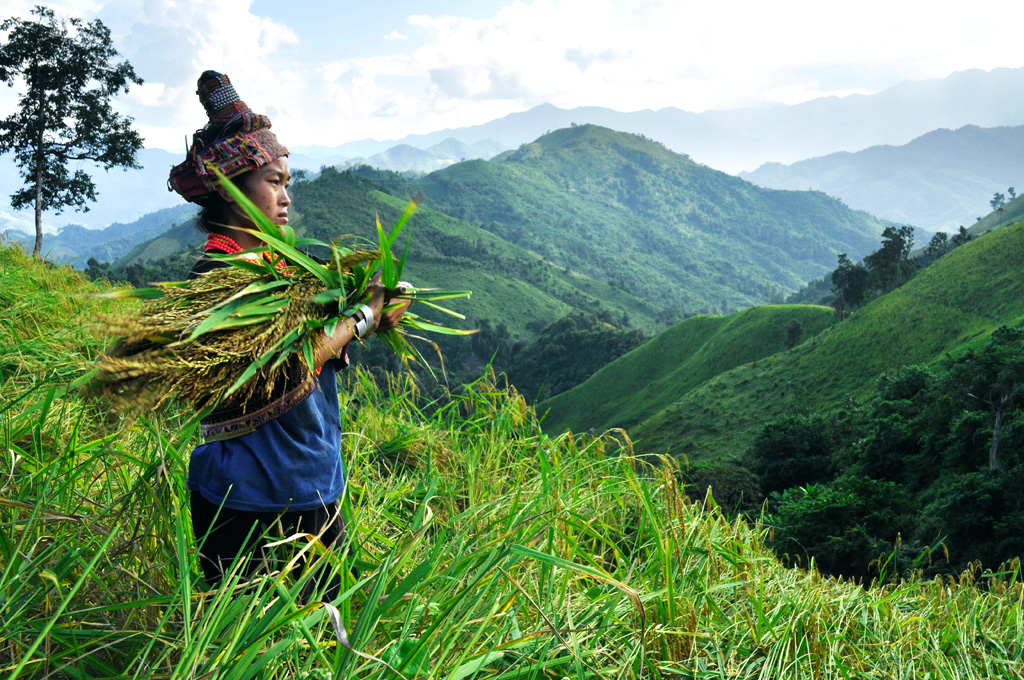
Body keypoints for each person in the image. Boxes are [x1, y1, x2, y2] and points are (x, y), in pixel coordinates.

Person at [168, 71, 409, 598]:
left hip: (313, 482)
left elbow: (352, 304)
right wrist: (361, 320)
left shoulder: (287, 269)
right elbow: (288, 364)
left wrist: (390, 292)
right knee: (246, 644)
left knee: (321, 638)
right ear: (231, 189)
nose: (286, 198)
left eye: (287, 183)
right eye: (274, 182)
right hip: (246, 500)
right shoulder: (217, 282)